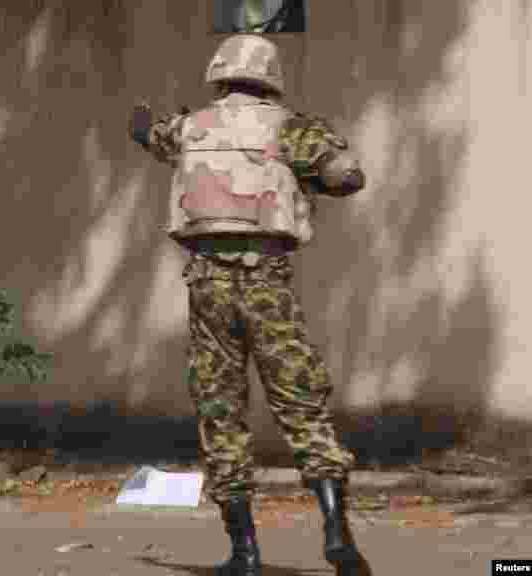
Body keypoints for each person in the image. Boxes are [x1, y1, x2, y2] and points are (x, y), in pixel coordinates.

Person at [130, 34, 371, 576]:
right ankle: (338, 535)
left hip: (206, 283)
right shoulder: (291, 127)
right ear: (269, 76)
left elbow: (147, 134)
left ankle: (245, 553)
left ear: (220, 73)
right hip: (267, 280)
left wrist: (145, 119)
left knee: (220, 409)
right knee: (301, 402)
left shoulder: (190, 127)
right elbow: (347, 176)